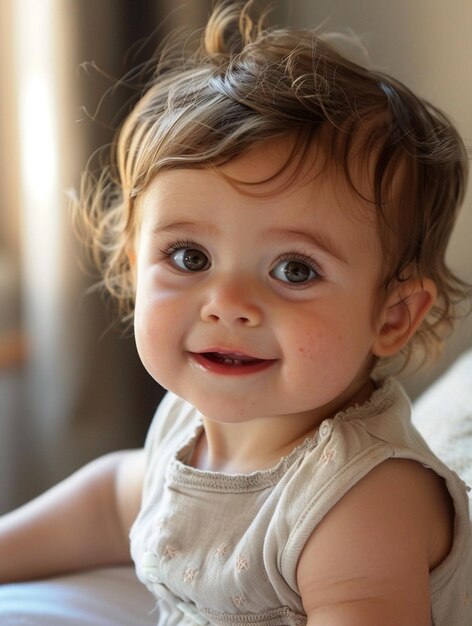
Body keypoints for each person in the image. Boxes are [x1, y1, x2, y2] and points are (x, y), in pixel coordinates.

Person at [1, 1, 471, 624]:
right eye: (189, 256)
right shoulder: (191, 421)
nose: (228, 304)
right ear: (132, 268)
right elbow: (116, 502)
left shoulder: (361, 504)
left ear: (391, 316)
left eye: (294, 270)